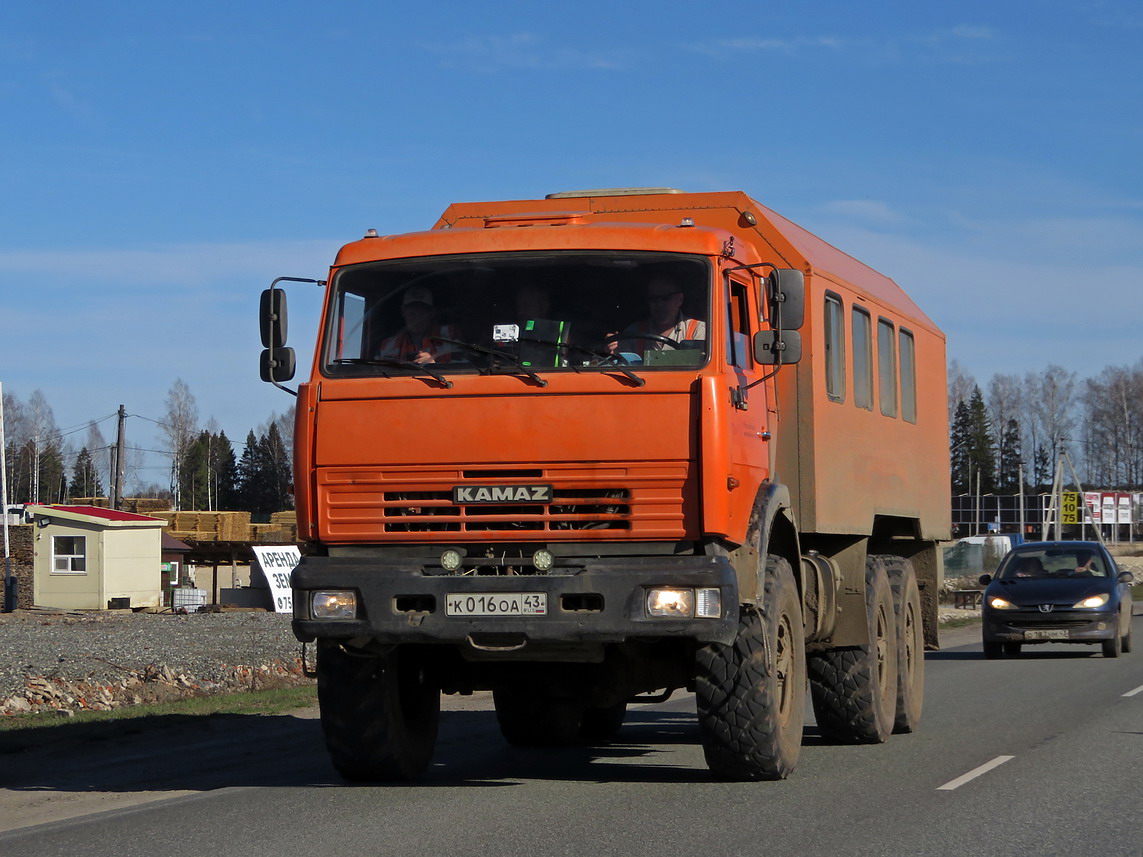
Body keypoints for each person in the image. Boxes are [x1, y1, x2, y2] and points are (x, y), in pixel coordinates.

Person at [609, 277, 706, 355]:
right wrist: (613, 347)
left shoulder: (698, 330)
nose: (659, 304)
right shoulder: (634, 332)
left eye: (665, 298)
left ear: (680, 299)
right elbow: (622, 364)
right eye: (654, 298)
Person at [376, 287, 459, 365]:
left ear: (432, 313)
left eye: (422, 314)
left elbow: (464, 370)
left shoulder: (449, 337)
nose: (417, 319)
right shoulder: (387, 345)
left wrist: (434, 366)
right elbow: (375, 372)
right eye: (412, 314)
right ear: (403, 312)